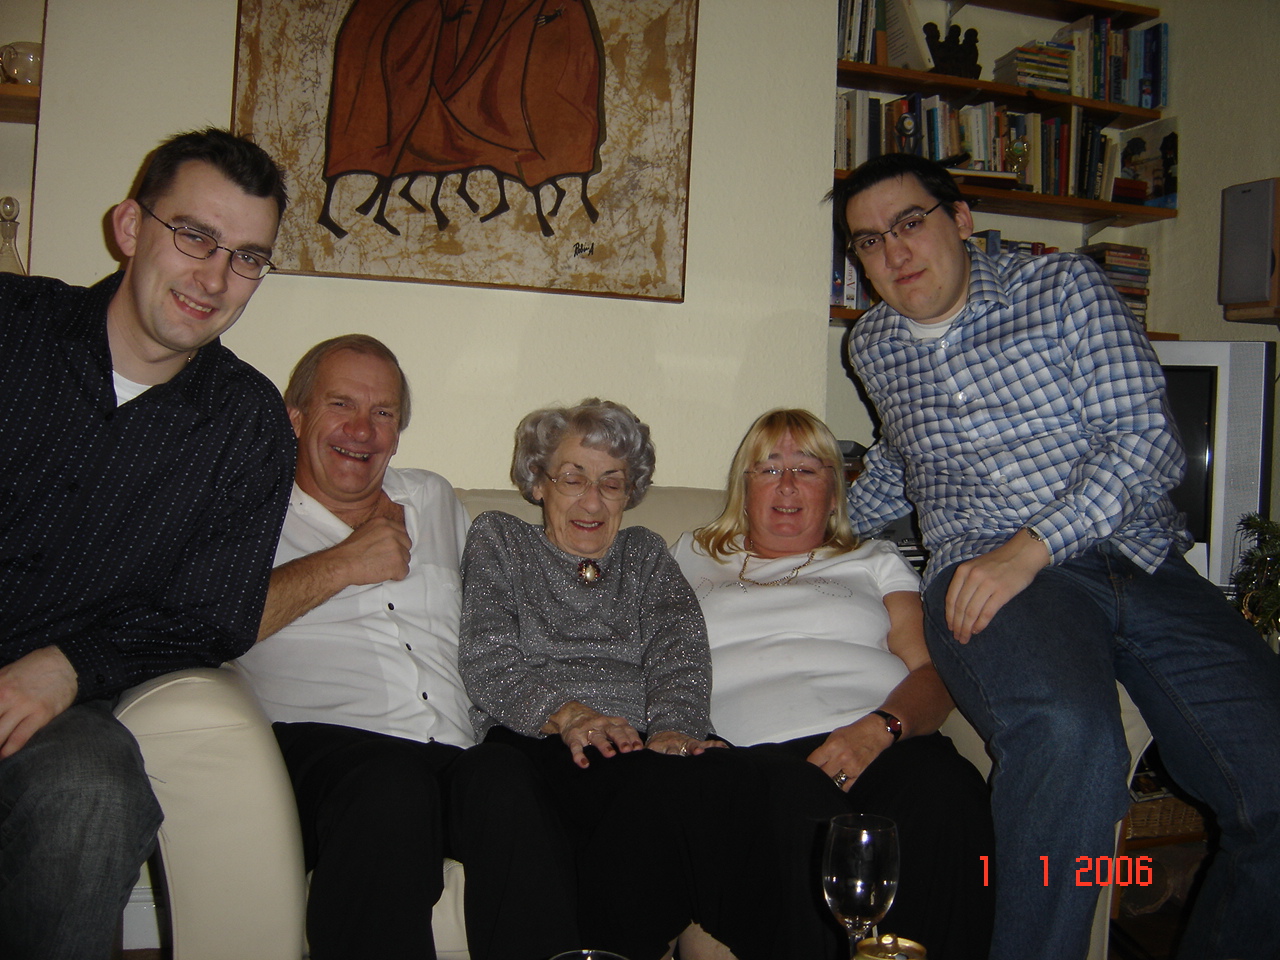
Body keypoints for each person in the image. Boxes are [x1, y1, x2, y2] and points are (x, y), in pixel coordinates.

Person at [833, 151, 1280, 960]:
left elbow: (1147, 440)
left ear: (960, 220)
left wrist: (1032, 547)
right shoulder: (873, 345)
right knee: (1071, 738)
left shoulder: (1063, 287)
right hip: (989, 580)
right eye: (868, 241)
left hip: (1140, 560)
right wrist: (819, 522)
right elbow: (905, 455)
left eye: (909, 223)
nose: (893, 252)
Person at [0, 127, 296, 959]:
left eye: (247, 256)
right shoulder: (11, 328)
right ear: (131, 227)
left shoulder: (249, 427)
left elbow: (212, 616)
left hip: (61, 707)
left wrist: (67, 667)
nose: (215, 277)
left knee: (93, 791)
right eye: (194, 235)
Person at [235, 335, 578, 960]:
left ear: (397, 433)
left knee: (506, 775)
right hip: (324, 752)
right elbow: (205, 626)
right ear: (296, 417)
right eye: (341, 404)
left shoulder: (433, 498)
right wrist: (344, 563)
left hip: (451, 751)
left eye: (383, 412)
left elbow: (513, 614)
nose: (362, 430)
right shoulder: (248, 511)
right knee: (391, 787)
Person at [458, 399, 787, 960]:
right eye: (573, 479)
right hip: (542, 739)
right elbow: (488, 659)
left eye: (611, 483)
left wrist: (674, 730)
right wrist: (572, 716)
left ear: (629, 493)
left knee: (737, 777)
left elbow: (680, 651)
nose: (592, 501)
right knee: (663, 794)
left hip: (640, 748)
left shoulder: (644, 553)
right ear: (537, 482)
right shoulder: (500, 539)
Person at [673, 408, 994, 960]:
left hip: (880, 740)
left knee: (950, 792)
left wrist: (880, 729)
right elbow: (642, 656)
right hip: (753, 758)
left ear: (834, 490)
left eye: (808, 469)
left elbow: (931, 674)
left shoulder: (874, 559)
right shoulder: (691, 555)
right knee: (799, 808)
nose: (787, 485)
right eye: (769, 468)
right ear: (744, 486)